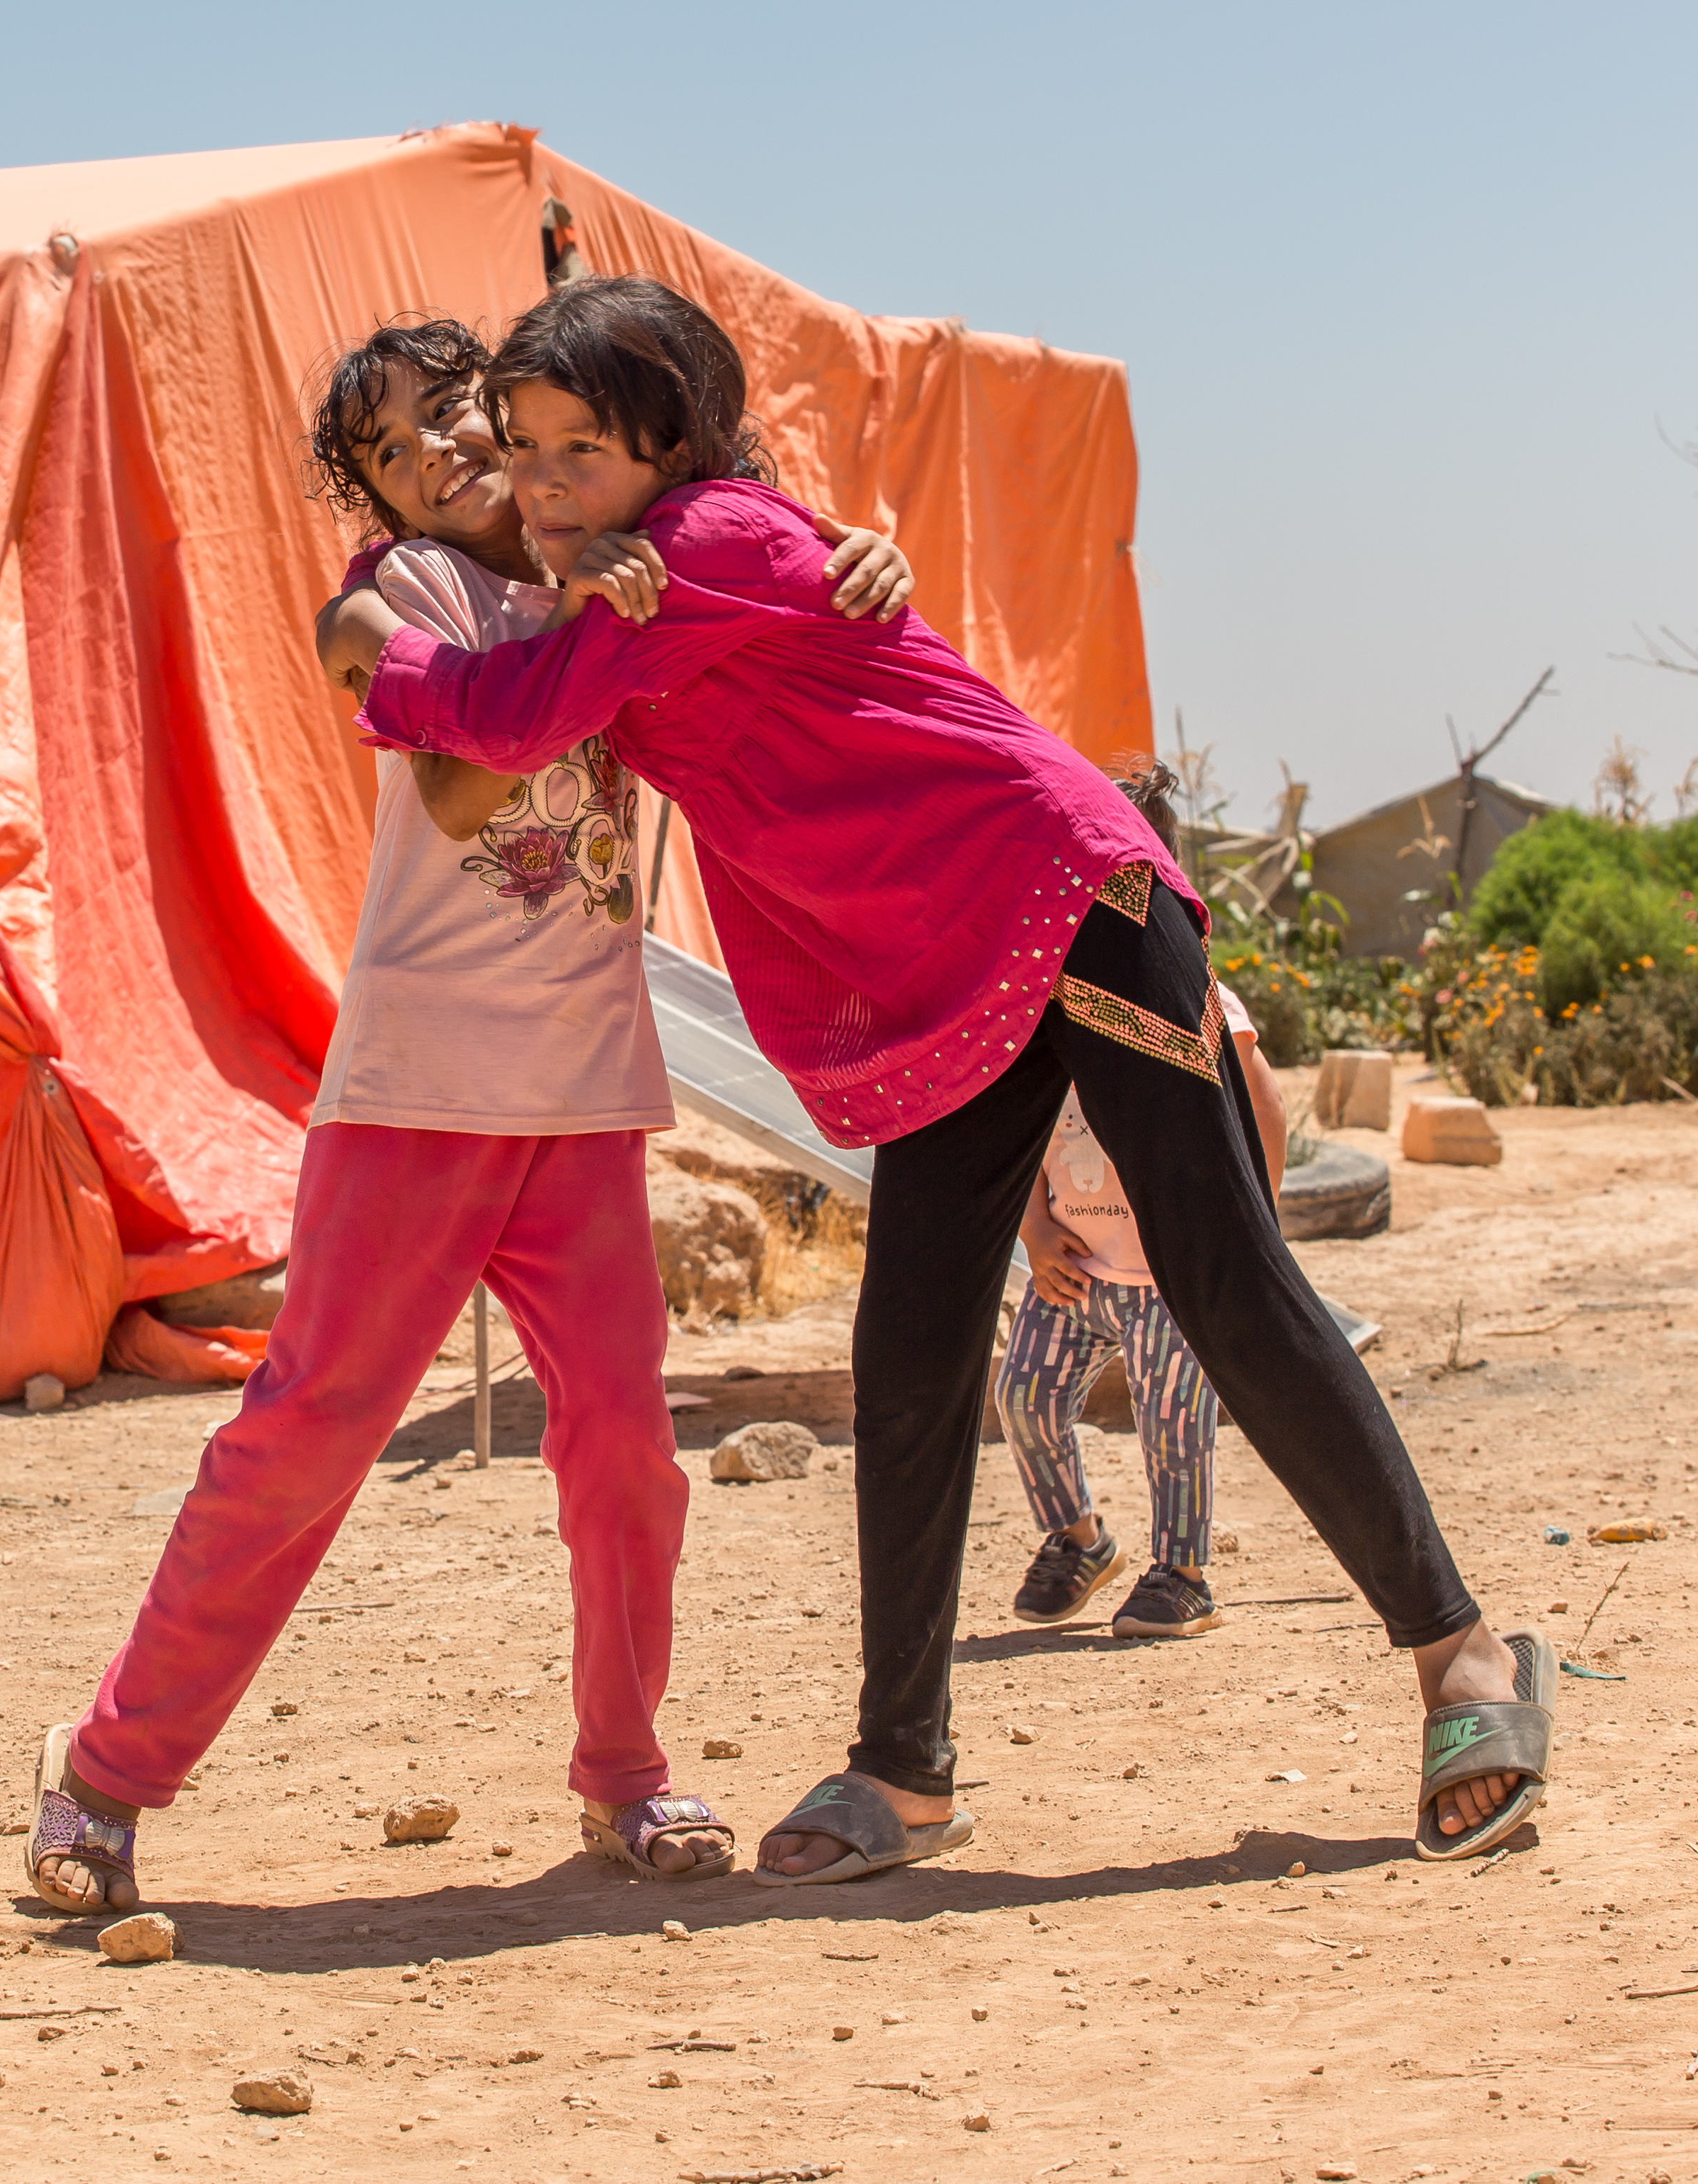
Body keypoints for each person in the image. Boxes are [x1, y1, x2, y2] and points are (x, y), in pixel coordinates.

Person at [347, 275, 1549, 1877]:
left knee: (1219, 1271)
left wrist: (371, 657)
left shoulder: (694, 555)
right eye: (529, 447)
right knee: (911, 1349)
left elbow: (502, 713)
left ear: (677, 448)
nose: (549, 482)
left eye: (583, 449)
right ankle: (898, 1766)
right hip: (926, 984)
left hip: (1070, 908)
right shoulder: (624, 585)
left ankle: (1457, 1655)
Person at [21, 318, 913, 1910]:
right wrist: (589, 630)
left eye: (453, 417)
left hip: (582, 1101)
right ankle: (105, 1774)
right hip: (420, 1095)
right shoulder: (403, 597)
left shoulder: (624, 546)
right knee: (304, 1440)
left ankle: (626, 1778)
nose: (436, 457)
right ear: (370, 494)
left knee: (628, 1453)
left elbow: (763, 559)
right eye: (391, 449)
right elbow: (457, 781)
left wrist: (861, 560)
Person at [999, 768, 1287, 1643]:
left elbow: (1262, 1118)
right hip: (1074, 1264)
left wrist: (1245, 1236)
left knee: (1172, 1419)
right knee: (1024, 1397)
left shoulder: (1197, 998)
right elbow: (1019, 1134)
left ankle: (1183, 1573)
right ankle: (1079, 1539)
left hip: (1165, 1270)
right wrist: (1033, 1224)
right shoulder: (1042, 1001)